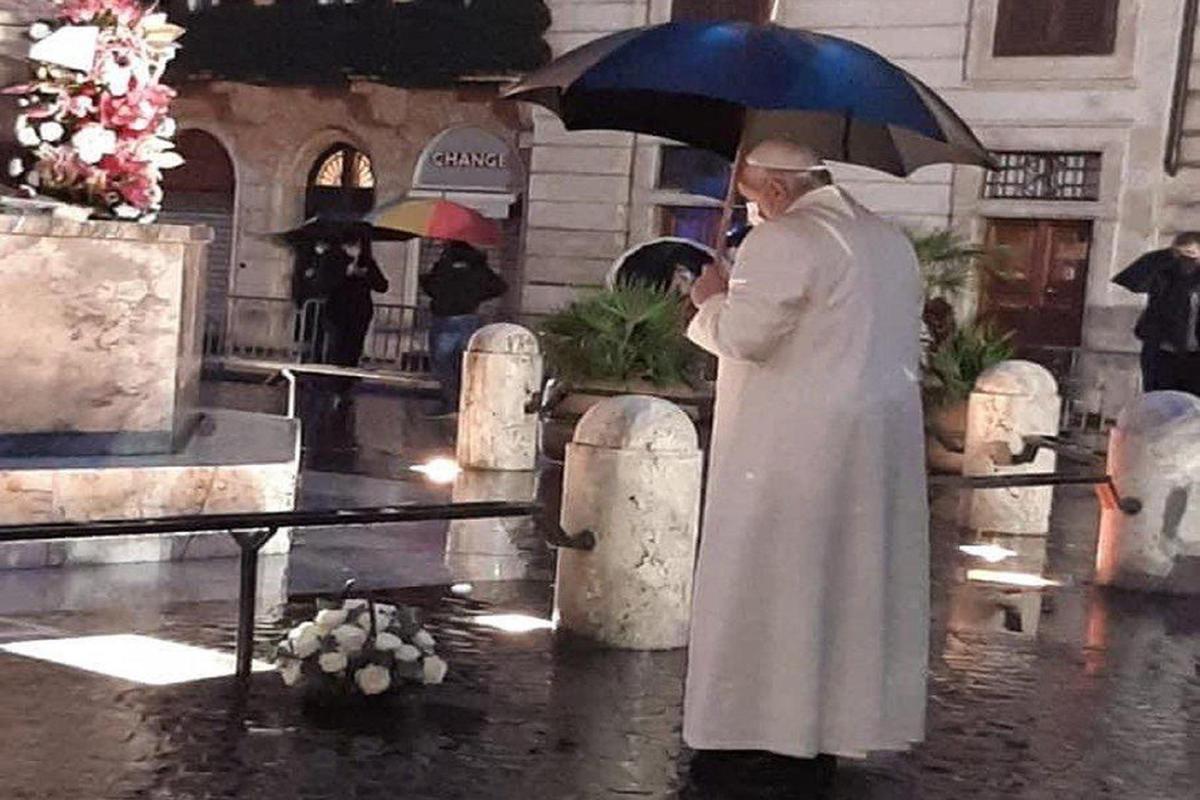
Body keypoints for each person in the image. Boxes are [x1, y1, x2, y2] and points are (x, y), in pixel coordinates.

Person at [682, 141, 929, 789]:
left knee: (770, 588)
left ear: (778, 190)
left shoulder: (787, 237)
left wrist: (709, 299)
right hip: (868, 450)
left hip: (786, 454)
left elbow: (743, 337)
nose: (746, 206)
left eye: (749, 193)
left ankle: (755, 730)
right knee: (842, 590)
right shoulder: (886, 239)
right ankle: (822, 727)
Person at [420, 240, 508, 417]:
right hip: (469, 318)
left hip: (445, 319)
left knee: (443, 364)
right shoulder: (477, 266)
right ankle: (467, 402)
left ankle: (451, 401)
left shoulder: (444, 266)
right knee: (467, 365)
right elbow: (499, 286)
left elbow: (431, 287)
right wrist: (475, 296)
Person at [1113, 232, 1200, 395]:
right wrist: (1166, 254)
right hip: (1162, 354)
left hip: (1196, 357)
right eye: (1182, 257)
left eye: (1192, 257)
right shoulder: (1164, 274)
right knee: (1160, 403)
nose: (1186, 263)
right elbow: (1131, 282)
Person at [322, 234, 389, 375]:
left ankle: (346, 383)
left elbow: (382, 286)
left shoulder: (366, 262)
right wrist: (345, 273)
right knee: (336, 348)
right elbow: (324, 284)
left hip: (360, 311)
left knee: (353, 349)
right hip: (337, 311)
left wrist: (366, 274)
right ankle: (333, 382)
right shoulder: (332, 258)